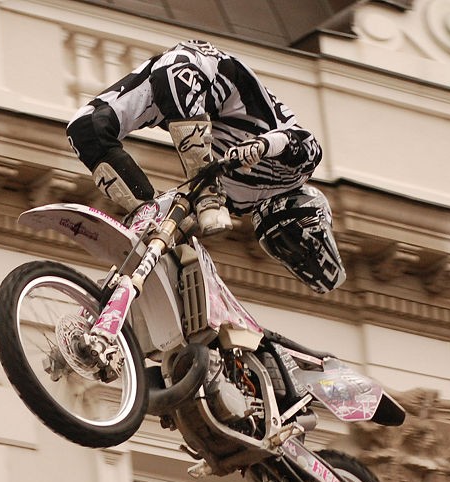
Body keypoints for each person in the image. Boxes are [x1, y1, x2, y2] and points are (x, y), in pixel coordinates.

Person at [66, 39, 346, 294]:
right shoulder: (299, 171)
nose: (283, 246)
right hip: (209, 74)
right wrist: (260, 146)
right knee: (172, 81)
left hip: (171, 100)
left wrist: (166, 232)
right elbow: (295, 140)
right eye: (289, 242)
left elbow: (184, 213)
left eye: (282, 250)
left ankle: (140, 223)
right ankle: (208, 194)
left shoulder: (239, 202)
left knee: (85, 130)